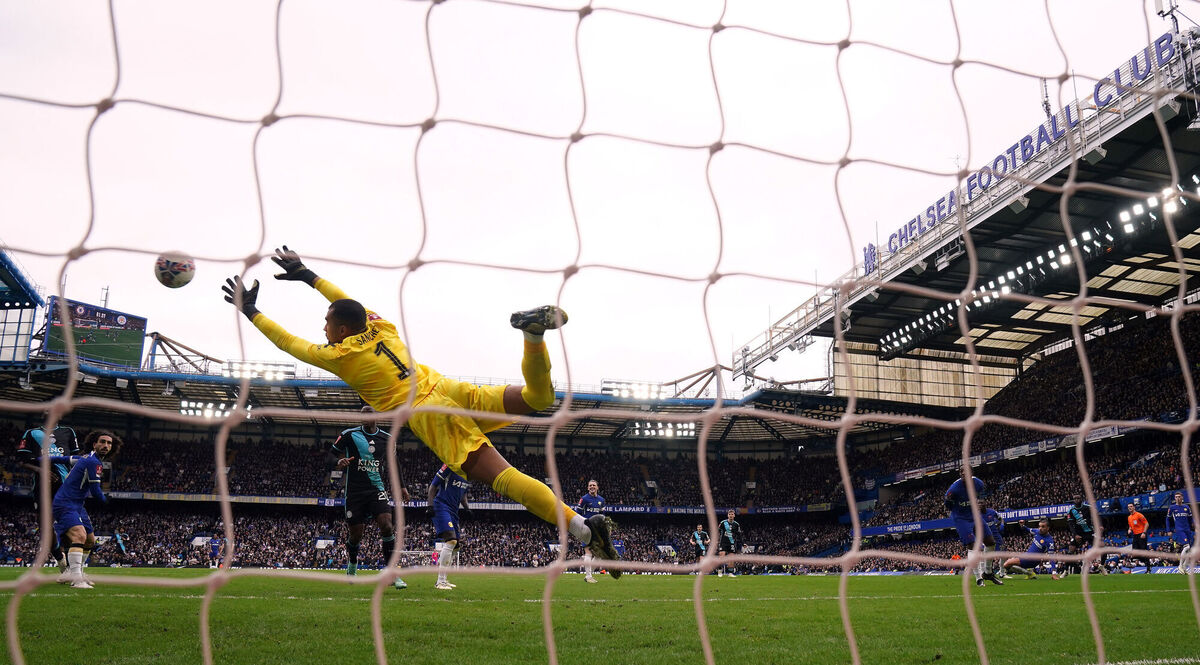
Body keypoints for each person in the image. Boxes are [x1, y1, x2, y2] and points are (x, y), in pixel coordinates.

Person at [222, 247, 620, 577]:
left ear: (342, 330)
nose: (323, 327)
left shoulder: (341, 355)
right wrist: (309, 276)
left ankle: (585, 532)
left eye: (328, 323)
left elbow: (288, 342)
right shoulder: (383, 327)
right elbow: (348, 303)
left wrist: (250, 311)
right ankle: (533, 336)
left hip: (430, 413)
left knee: (505, 478)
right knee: (537, 399)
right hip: (448, 387)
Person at [331, 406, 409, 589]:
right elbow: (330, 454)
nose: (364, 418)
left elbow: (394, 464)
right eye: (362, 415)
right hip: (355, 492)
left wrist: (403, 486)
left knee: (387, 525)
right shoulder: (349, 434)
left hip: (376, 489)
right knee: (356, 535)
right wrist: (337, 462)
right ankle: (352, 563)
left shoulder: (387, 439)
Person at [45, 430, 116, 589]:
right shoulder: (94, 462)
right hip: (65, 503)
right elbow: (96, 491)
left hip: (78, 505)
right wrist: (106, 501)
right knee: (79, 535)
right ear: (94, 444)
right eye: (102, 442)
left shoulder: (83, 458)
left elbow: (62, 459)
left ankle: (76, 572)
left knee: (90, 540)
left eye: (109, 443)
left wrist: (42, 459)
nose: (105, 445)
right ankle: (76, 579)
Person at [16, 420, 80, 571]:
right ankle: (60, 558)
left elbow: (76, 460)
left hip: (65, 487)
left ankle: (72, 568)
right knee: (45, 528)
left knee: (69, 526)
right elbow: (22, 461)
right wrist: (41, 471)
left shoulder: (68, 431)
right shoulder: (32, 433)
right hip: (41, 488)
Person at [944, 475, 1001, 586]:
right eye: (961, 471)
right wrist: (957, 510)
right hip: (961, 519)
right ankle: (978, 578)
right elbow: (947, 503)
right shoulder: (954, 488)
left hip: (974, 515)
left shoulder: (978, 483)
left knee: (991, 542)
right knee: (973, 546)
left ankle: (988, 573)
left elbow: (982, 493)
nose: (964, 473)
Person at [428, 463, 471, 590]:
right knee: (451, 541)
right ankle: (440, 581)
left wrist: (468, 509)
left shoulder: (468, 475)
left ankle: (444, 580)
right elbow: (433, 486)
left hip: (454, 511)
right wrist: (430, 506)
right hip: (441, 506)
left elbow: (463, 495)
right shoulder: (450, 466)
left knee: (456, 547)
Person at [576, 479, 606, 583]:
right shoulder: (584, 499)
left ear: (597, 487)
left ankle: (589, 575)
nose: (592, 487)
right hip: (587, 528)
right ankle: (588, 576)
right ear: (588, 487)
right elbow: (577, 513)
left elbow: (603, 516)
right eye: (590, 485)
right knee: (588, 552)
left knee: (598, 555)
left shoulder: (601, 500)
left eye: (594, 485)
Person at [1166, 491, 1194, 573]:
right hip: (1179, 530)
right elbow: (1167, 519)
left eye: (1179, 497)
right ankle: (1180, 566)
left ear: (1182, 498)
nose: (1178, 498)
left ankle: (1184, 568)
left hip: (1187, 530)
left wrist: (1194, 526)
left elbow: (1190, 519)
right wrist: (1168, 530)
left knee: (1189, 551)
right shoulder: (1172, 508)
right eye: (1176, 497)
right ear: (1175, 498)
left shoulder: (1187, 507)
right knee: (1187, 547)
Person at [716, 509, 743, 577]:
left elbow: (739, 534)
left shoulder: (736, 524)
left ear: (734, 515)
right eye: (729, 514)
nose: (731, 515)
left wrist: (742, 543)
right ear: (728, 515)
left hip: (731, 542)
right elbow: (717, 531)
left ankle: (730, 573)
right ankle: (719, 571)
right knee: (721, 556)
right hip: (723, 542)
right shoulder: (723, 522)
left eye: (732, 514)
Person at [1127, 502, 1151, 574]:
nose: (1130, 508)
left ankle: (1148, 568)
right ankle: (1140, 563)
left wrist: (1144, 533)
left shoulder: (1139, 515)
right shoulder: (1129, 517)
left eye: (1131, 506)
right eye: (1128, 507)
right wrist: (1129, 529)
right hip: (1135, 535)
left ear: (1134, 507)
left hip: (1141, 534)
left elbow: (1146, 524)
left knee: (1143, 551)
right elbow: (1131, 525)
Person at [984, 503, 1006, 579]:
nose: (979, 505)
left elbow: (1001, 519)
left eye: (981, 503)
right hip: (985, 538)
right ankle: (987, 572)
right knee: (988, 556)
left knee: (1004, 553)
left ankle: (1002, 573)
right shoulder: (975, 515)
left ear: (984, 504)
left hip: (996, 536)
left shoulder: (992, 512)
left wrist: (1001, 524)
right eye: (978, 503)